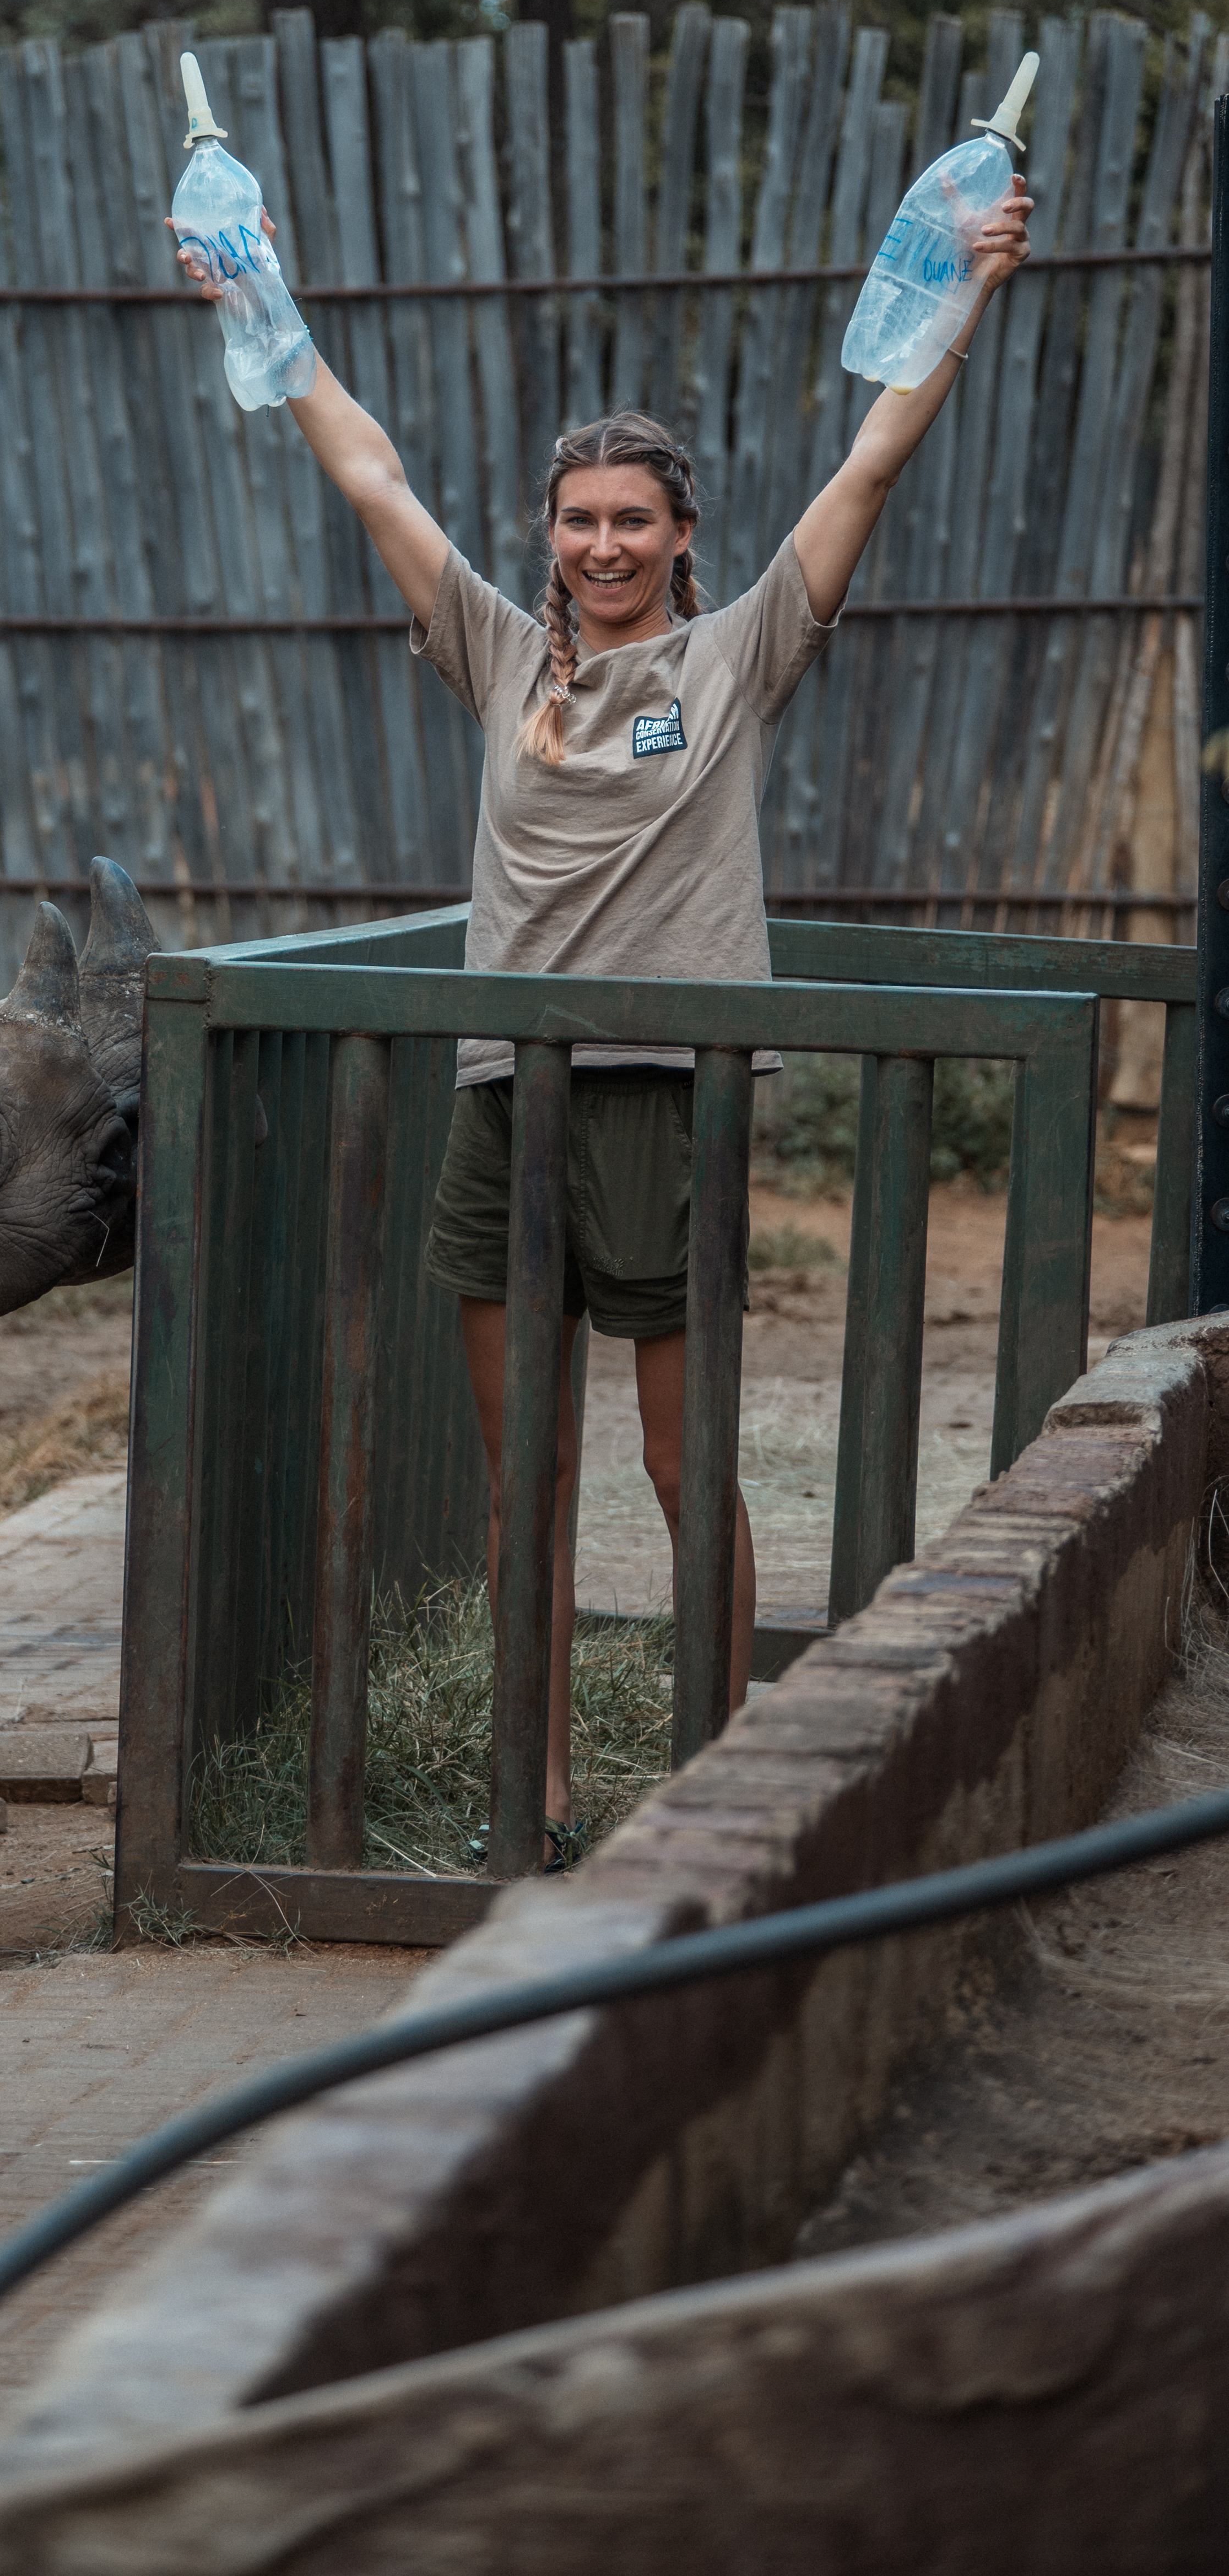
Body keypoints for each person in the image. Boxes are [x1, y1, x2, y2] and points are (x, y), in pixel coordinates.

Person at [177, 171, 1032, 1866]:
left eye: (634, 520)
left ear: (683, 537)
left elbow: (870, 460)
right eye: (580, 520)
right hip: (514, 1101)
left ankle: (720, 1795)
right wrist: (256, 315)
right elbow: (368, 470)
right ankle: (541, 1789)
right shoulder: (498, 657)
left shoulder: (736, 656)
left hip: (673, 1104)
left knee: (679, 1465)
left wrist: (970, 295)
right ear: (550, 533)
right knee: (530, 1483)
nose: (605, 545)